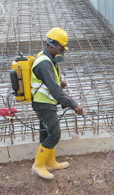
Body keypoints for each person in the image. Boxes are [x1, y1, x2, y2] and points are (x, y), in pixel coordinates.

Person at [30, 27, 83, 179]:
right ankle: (38, 165)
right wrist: (74, 105)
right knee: (54, 134)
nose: (62, 52)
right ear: (52, 45)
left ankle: (50, 162)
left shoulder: (47, 58)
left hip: (45, 102)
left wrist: (60, 84)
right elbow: (54, 90)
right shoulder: (44, 63)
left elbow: (51, 84)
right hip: (43, 104)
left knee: (46, 132)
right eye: (61, 48)